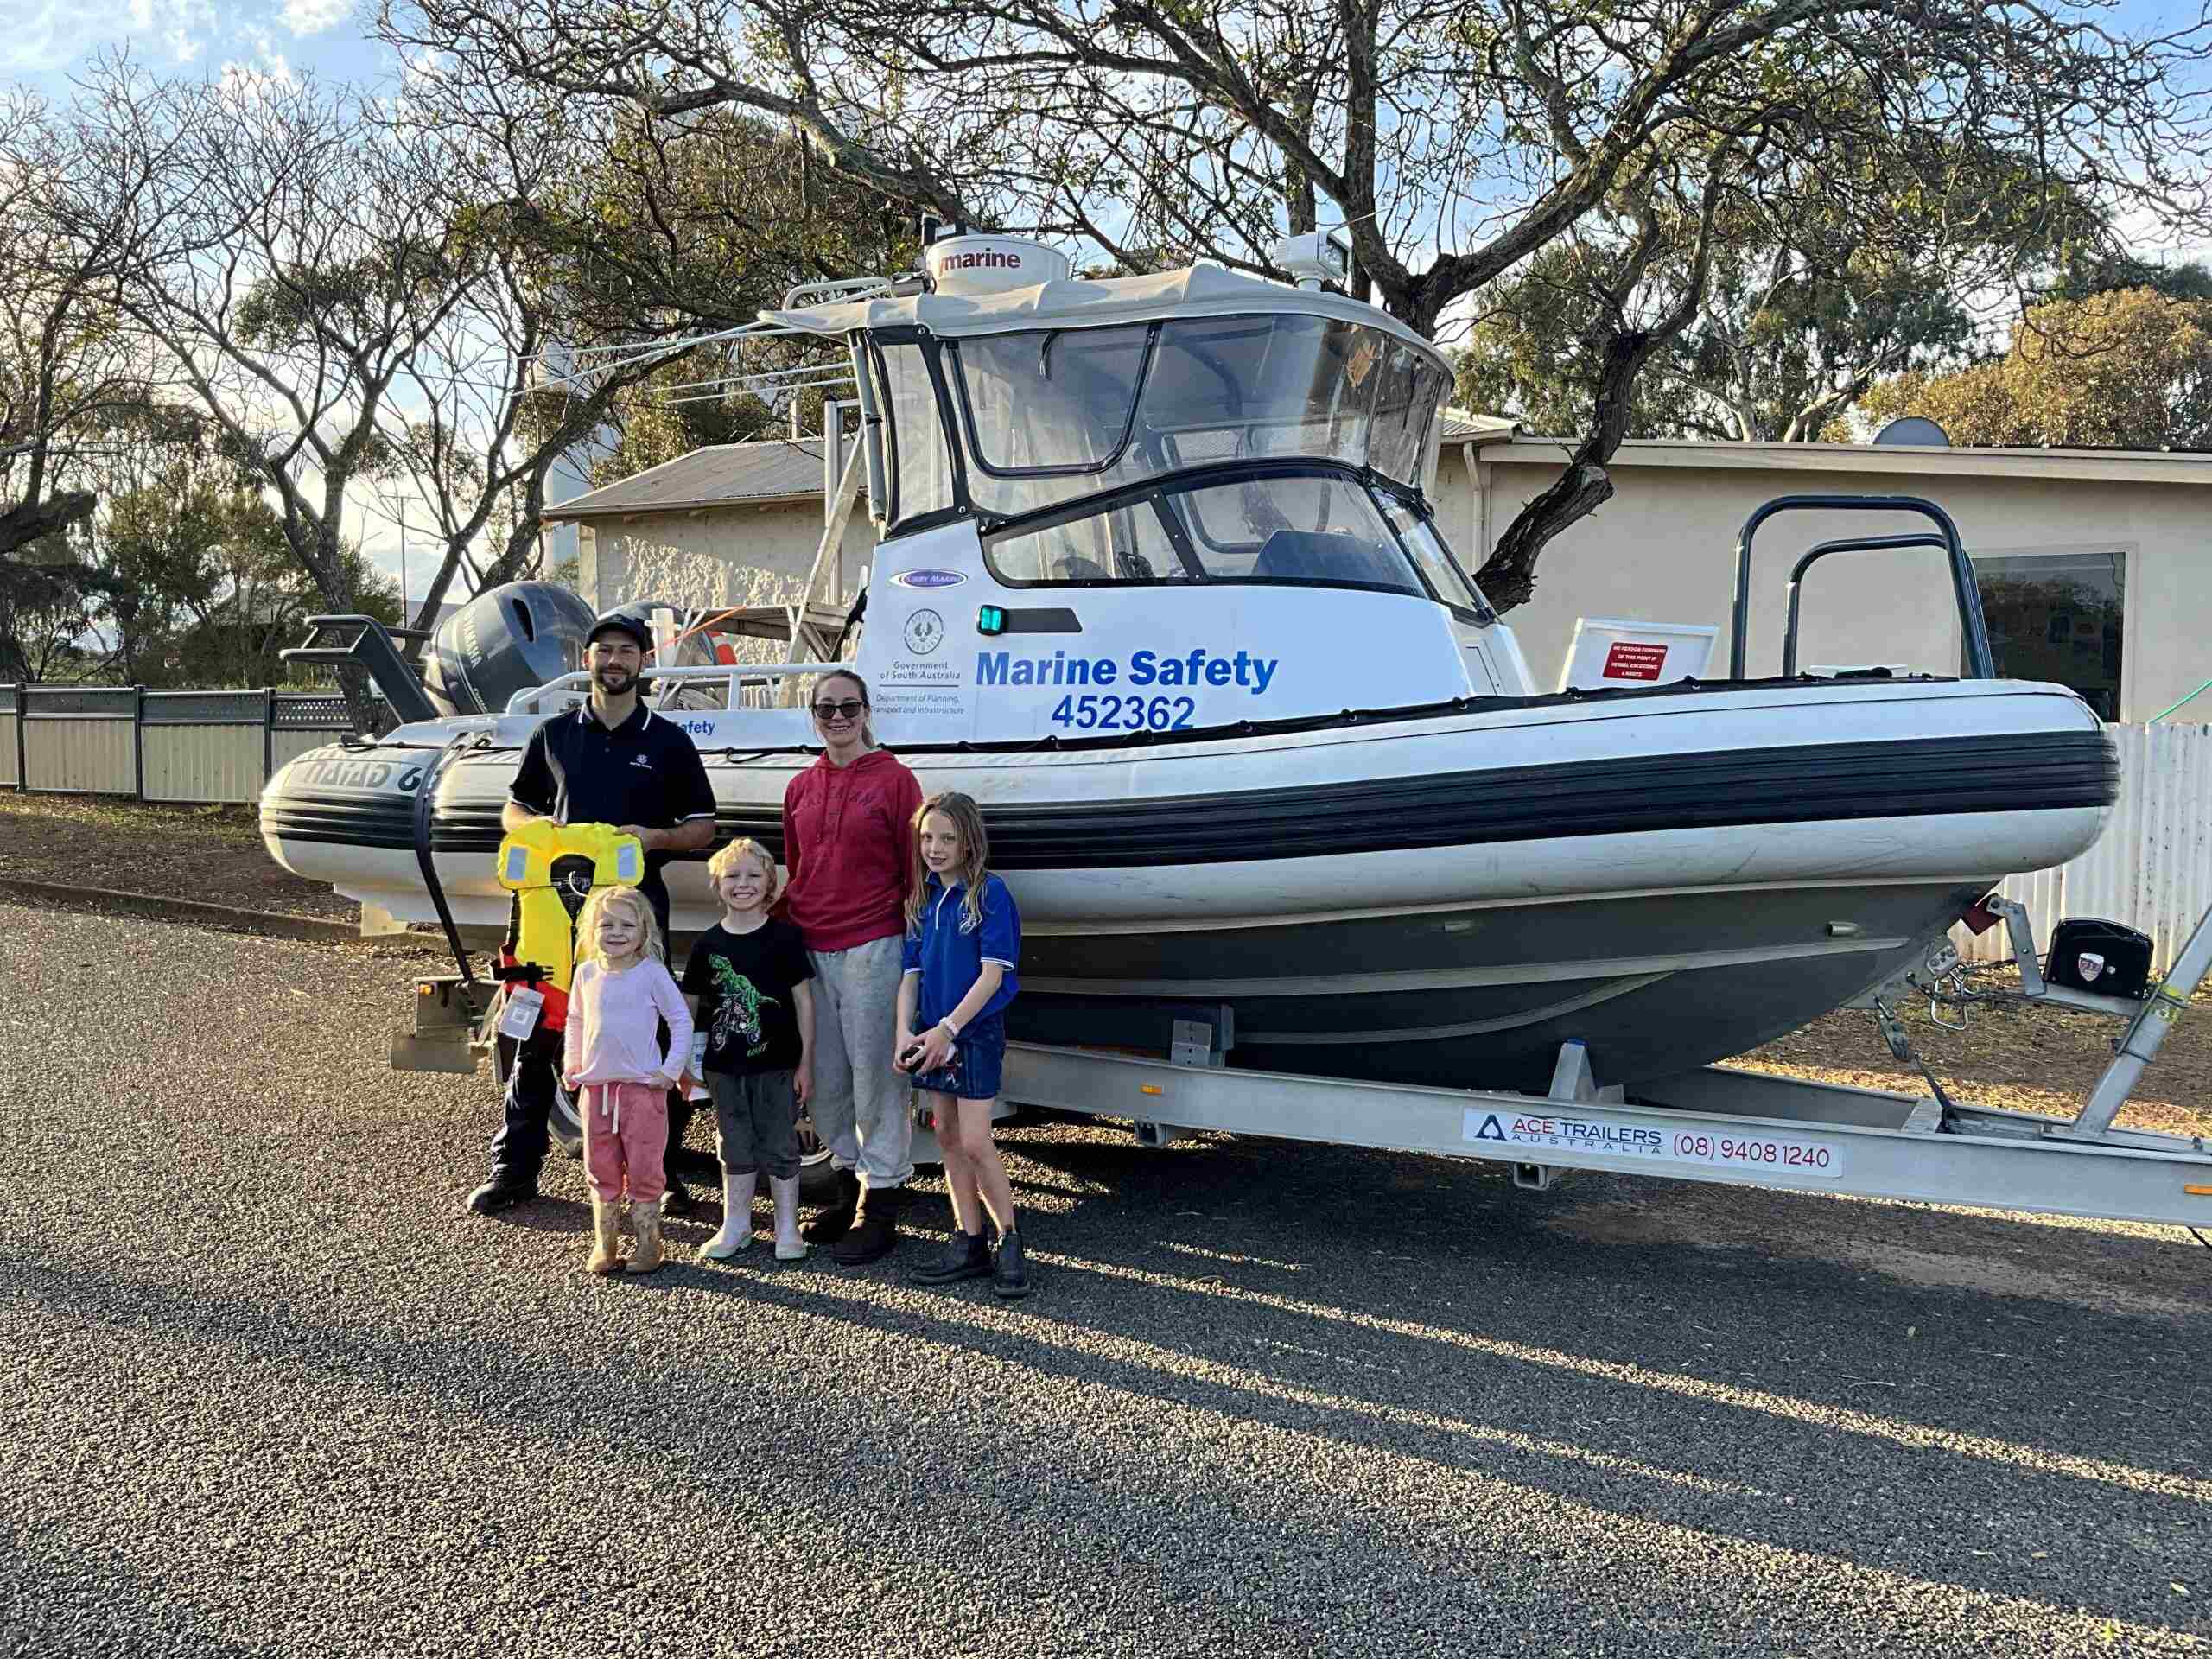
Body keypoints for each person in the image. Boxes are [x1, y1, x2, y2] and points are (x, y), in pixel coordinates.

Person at [467, 607, 718, 1218]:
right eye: (604, 650)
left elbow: (703, 828)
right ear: (589, 660)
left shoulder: (668, 742)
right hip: (552, 916)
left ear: (644, 662)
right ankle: (515, 1168)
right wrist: (538, 828)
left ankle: (657, 1175)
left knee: (651, 1040)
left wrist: (653, 839)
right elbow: (514, 811)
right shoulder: (552, 735)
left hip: (633, 920)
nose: (615, 661)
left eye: (627, 652)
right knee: (535, 1036)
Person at [782, 667, 925, 1264]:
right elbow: (795, 866)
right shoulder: (799, 787)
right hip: (812, 945)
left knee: (877, 1077)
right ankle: (845, 1183)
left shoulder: (895, 781)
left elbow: (913, 869)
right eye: (825, 709)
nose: (837, 719)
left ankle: (882, 1197)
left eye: (847, 708)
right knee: (828, 1078)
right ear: (812, 715)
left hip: (873, 941)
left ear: (867, 711)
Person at [897, 791, 1028, 1298]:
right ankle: (967, 1240)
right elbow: (910, 976)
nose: (935, 847)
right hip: (930, 1036)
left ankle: (1010, 1239)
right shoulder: (923, 900)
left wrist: (948, 1029)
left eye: (947, 838)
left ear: (969, 842)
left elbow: (993, 976)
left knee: (976, 1140)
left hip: (972, 1034)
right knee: (947, 1137)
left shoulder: (990, 894)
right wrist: (903, 1034)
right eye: (928, 837)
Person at [683, 839, 815, 1262]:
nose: (743, 884)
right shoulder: (706, 946)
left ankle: (787, 1229)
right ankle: (735, 1225)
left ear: (770, 885)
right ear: (718, 885)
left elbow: (804, 1004)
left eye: (754, 876)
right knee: (734, 1144)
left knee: (779, 1143)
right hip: (724, 1068)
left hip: (777, 1065)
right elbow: (689, 1009)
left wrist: (806, 1063)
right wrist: (684, 1062)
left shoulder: (785, 939)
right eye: (733, 876)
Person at [562, 886, 694, 1275]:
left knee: (645, 1168)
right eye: (607, 924)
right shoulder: (586, 974)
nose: (616, 932)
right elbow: (576, 1021)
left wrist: (670, 1071)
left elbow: (680, 1021)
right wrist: (574, 1064)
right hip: (597, 1090)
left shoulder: (651, 973)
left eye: (626, 924)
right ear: (591, 930)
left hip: (644, 1092)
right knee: (600, 1165)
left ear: (643, 930)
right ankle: (606, 1244)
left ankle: (649, 1245)